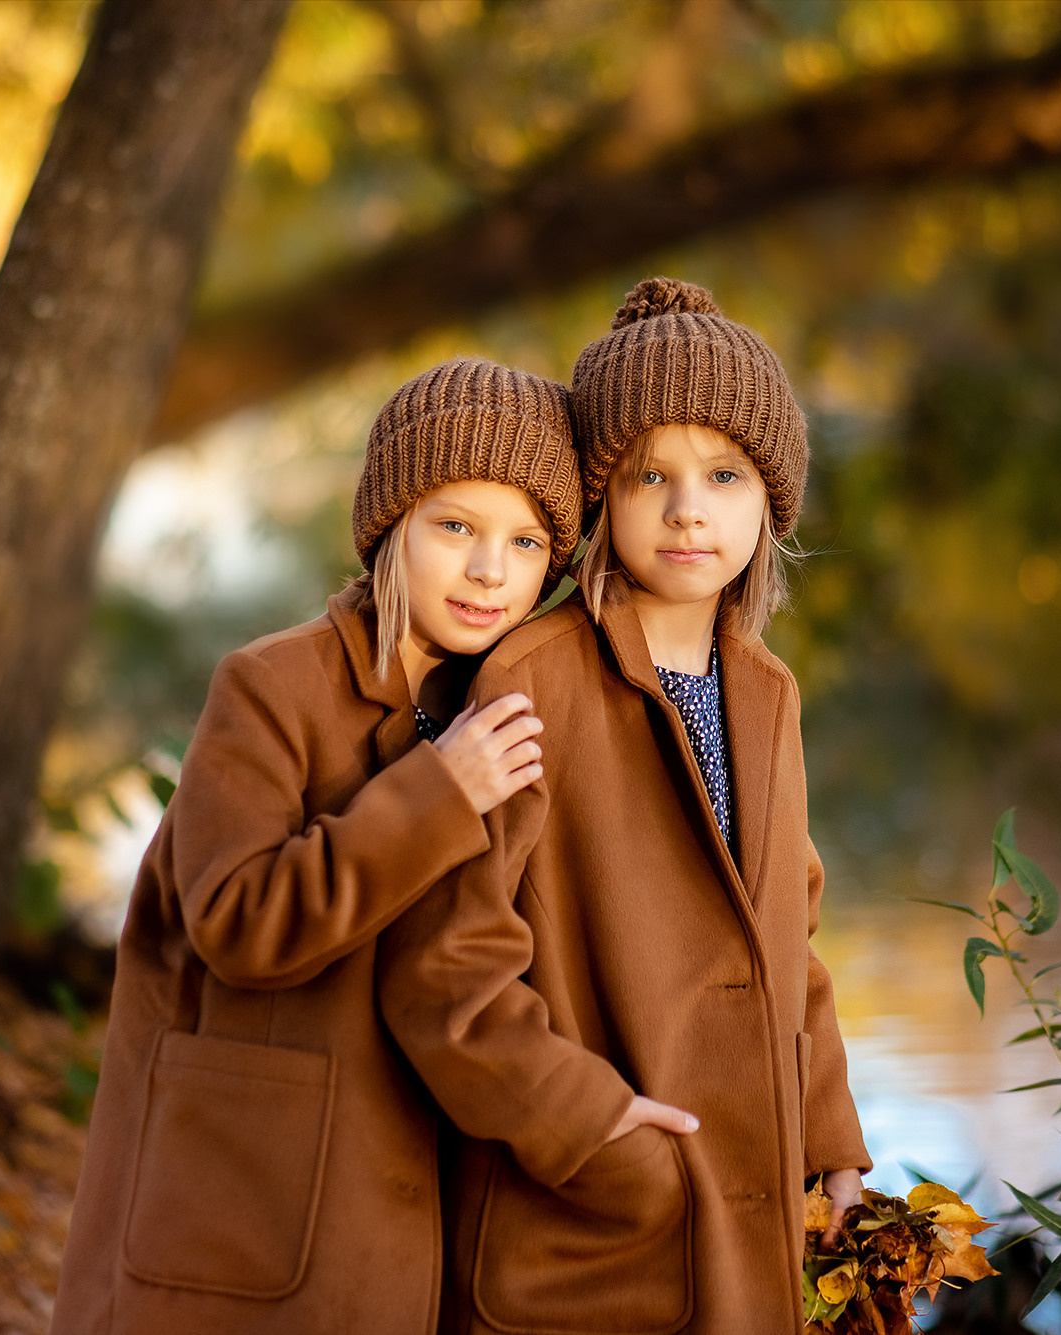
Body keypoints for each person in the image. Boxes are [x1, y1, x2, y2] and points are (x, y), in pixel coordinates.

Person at [51, 356, 584, 1335]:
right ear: (392, 526)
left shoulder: (498, 705)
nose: (487, 571)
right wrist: (435, 795)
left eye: (524, 541)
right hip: (246, 1201)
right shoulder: (269, 687)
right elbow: (237, 923)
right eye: (454, 527)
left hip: (420, 1214)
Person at [378, 279, 870, 1335]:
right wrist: (591, 1127)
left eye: (723, 475)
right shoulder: (530, 677)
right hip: (585, 1236)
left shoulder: (767, 693)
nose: (688, 507)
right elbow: (441, 967)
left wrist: (829, 1145)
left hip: (743, 1220)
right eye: (651, 474)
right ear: (600, 495)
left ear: (769, 500)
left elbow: (791, 942)